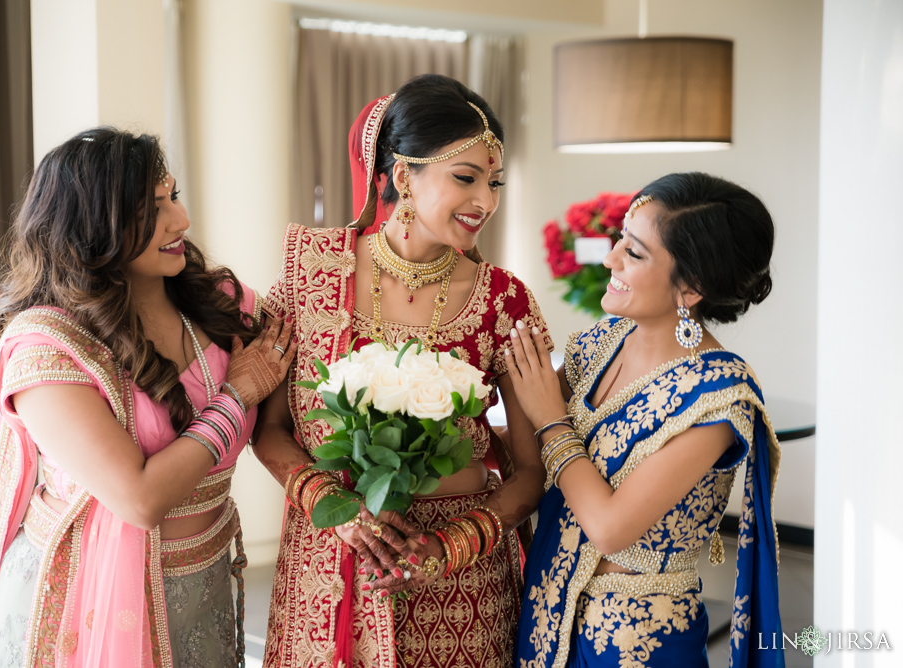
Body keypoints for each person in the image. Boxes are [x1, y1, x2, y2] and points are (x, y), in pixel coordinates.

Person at [0, 128, 297, 668]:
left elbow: (289, 412)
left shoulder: (222, 305)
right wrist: (238, 393)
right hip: (82, 606)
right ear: (92, 225)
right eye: (151, 210)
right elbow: (140, 499)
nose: (180, 220)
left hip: (205, 587)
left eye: (173, 196)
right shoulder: (46, 349)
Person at [254, 74, 552, 668]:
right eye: (464, 178)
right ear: (401, 175)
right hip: (332, 560)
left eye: (493, 182)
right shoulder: (313, 275)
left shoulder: (506, 301)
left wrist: (449, 548)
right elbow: (270, 430)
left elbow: (530, 471)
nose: (485, 202)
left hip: (461, 584)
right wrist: (330, 507)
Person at [507, 173, 784, 668]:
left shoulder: (718, 398)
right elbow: (525, 441)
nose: (609, 259)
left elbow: (610, 528)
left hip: (635, 639)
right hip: (549, 606)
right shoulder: (604, 340)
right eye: (620, 241)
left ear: (692, 287)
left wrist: (549, 418)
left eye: (634, 253)